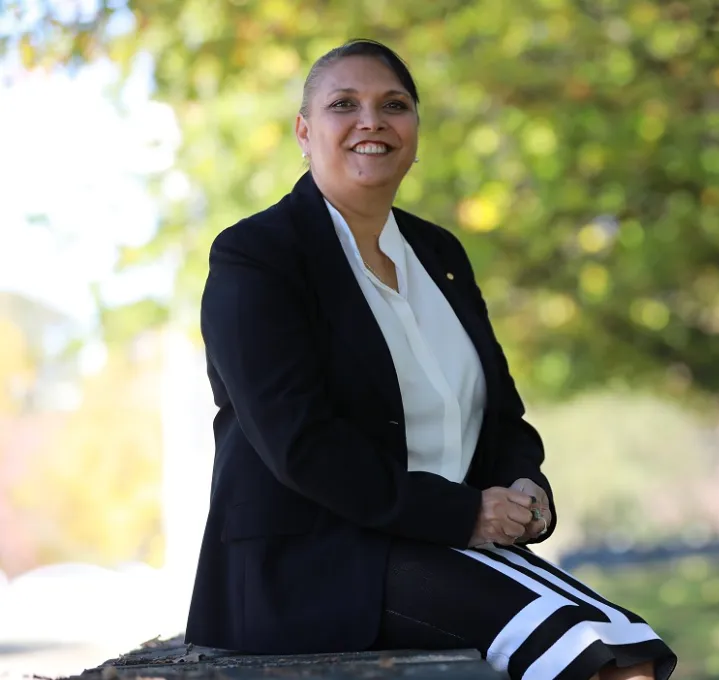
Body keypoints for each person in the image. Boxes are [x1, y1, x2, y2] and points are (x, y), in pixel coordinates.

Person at [184, 39, 677, 680]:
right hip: (316, 560)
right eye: (344, 104)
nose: (372, 121)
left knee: (632, 649)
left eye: (394, 104)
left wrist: (525, 485)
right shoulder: (257, 255)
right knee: (586, 658)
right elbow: (301, 443)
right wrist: (464, 513)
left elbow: (500, 413)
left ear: (415, 129)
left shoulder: (438, 251)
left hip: (438, 542)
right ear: (305, 132)